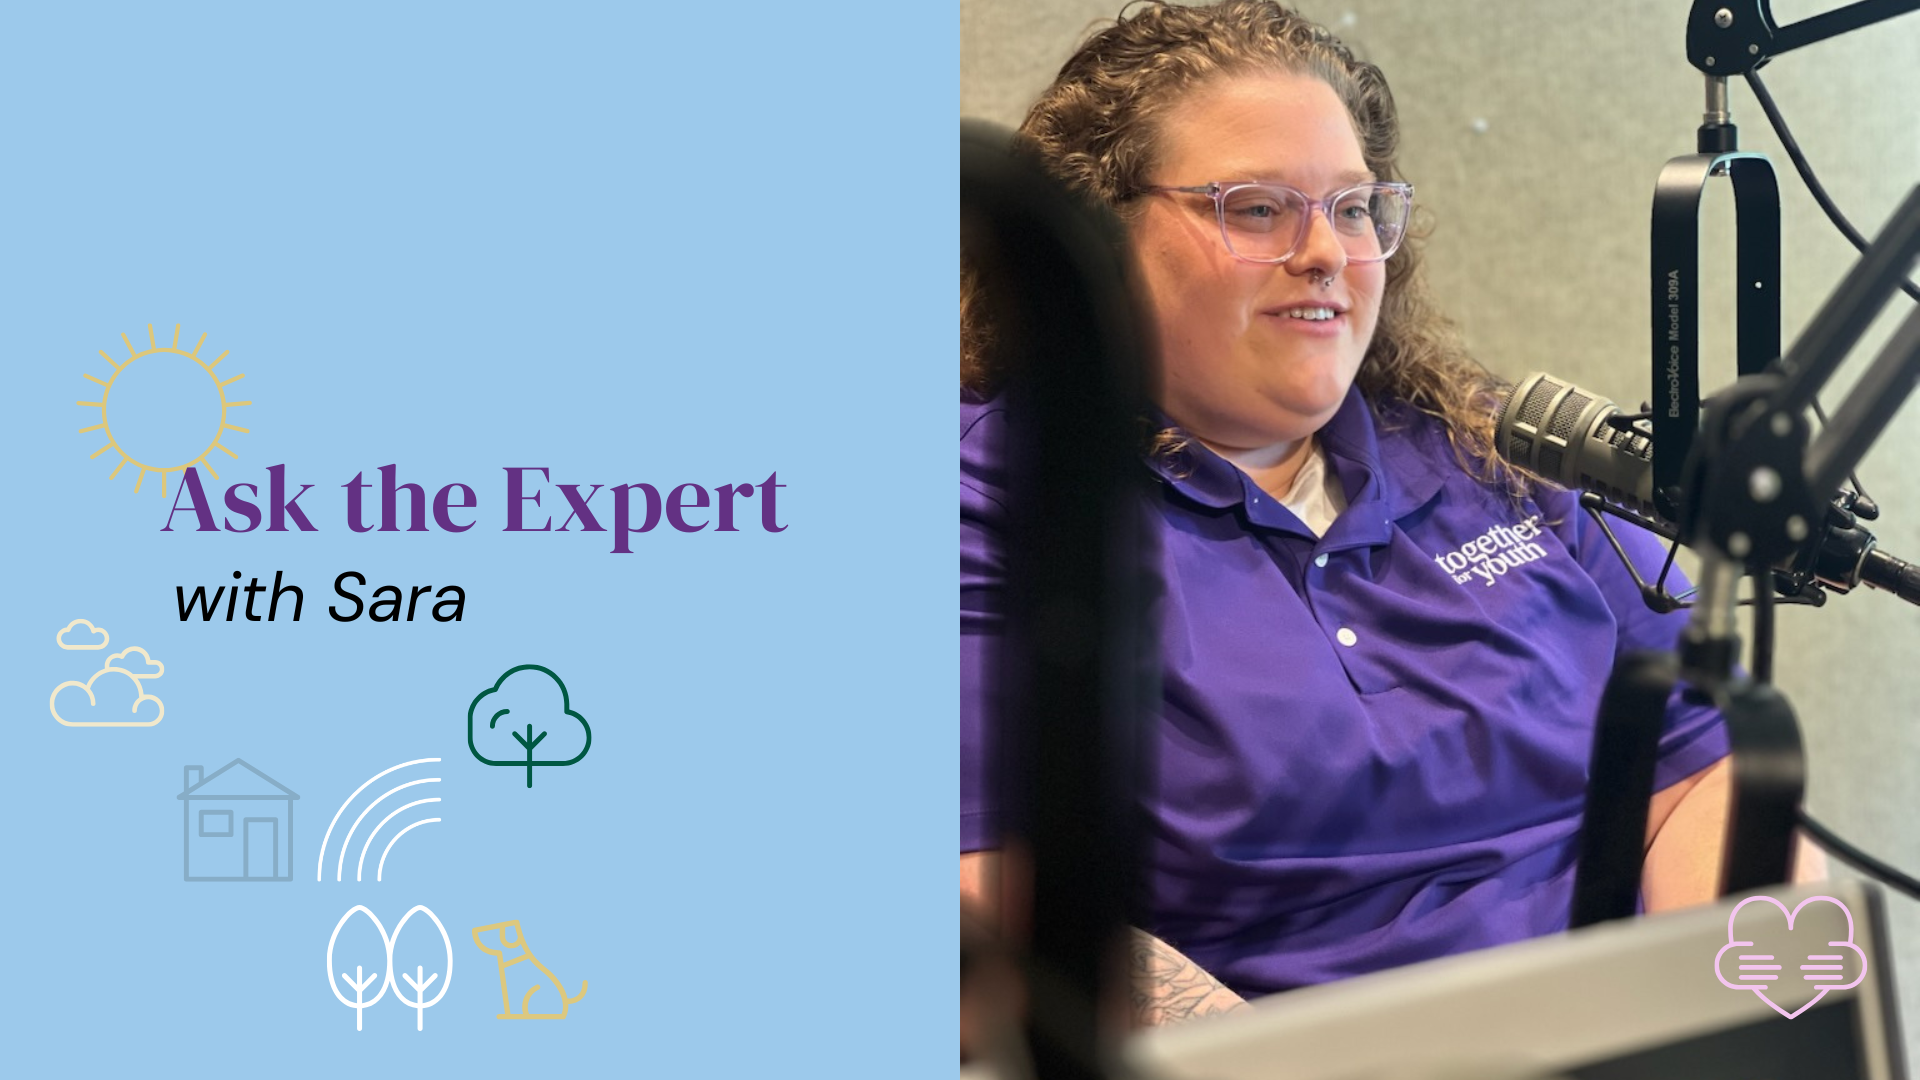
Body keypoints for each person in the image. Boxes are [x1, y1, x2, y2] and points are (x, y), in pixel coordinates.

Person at [960, 0, 1801, 1028]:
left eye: (1355, 208)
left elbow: (1705, 764)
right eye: (1257, 208)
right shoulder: (996, 500)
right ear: (1090, 235)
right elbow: (980, 892)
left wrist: (1730, 1026)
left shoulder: (1488, 446)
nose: (1327, 251)